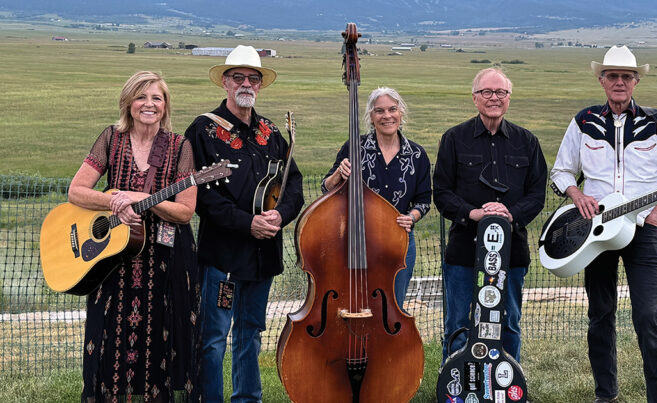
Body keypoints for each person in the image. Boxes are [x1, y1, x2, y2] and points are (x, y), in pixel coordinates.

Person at [550, 45, 657, 403]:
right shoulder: (583, 122)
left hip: (643, 233)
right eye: (613, 76)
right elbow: (561, 170)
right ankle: (605, 395)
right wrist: (576, 195)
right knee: (600, 315)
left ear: (636, 80)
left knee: (648, 317)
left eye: (626, 76)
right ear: (602, 80)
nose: (620, 83)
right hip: (595, 233)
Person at [69, 71, 201, 402]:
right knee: (108, 339)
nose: (149, 104)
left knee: (162, 339)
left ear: (166, 105)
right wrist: (114, 199)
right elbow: (76, 191)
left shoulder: (179, 146)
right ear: (128, 102)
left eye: (157, 98)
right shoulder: (111, 139)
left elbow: (186, 211)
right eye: (142, 97)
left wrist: (144, 203)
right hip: (113, 260)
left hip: (164, 262)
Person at [185, 45, 304, 403]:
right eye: (238, 76)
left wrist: (280, 216)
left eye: (253, 77)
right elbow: (201, 197)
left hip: (261, 257)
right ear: (225, 81)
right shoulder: (203, 130)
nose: (246, 83)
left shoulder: (271, 132)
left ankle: (247, 399)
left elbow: (292, 183)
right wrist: (246, 223)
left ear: (260, 85)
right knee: (214, 336)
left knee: (250, 332)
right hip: (223, 257)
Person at [433, 68, 547, 363]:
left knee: (508, 323)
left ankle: (508, 388)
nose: (494, 98)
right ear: (474, 98)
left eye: (501, 92)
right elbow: (442, 192)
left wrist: (510, 214)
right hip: (463, 251)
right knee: (457, 324)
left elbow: (537, 195)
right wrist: (474, 214)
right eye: (487, 92)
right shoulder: (454, 139)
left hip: (512, 252)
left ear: (509, 98)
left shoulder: (527, 142)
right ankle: (455, 387)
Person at [322, 86, 432, 311]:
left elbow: (424, 199)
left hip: (398, 242)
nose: (387, 116)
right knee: (353, 303)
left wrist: (411, 217)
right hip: (355, 242)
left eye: (392, 109)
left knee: (393, 307)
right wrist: (338, 174)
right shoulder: (354, 147)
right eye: (379, 111)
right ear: (371, 117)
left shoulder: (417, 154)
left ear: (401, 113)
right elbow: (327, 188)